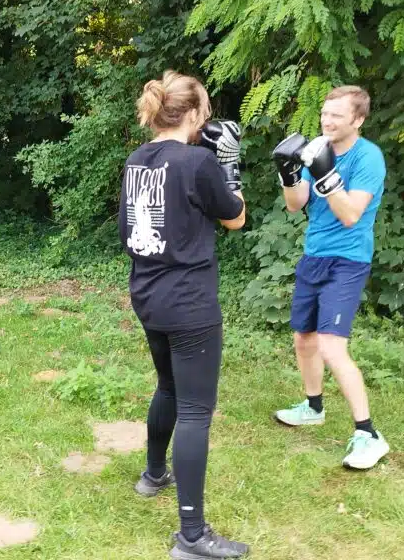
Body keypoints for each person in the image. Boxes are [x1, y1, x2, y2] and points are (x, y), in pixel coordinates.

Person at [119, 70, 248, 559]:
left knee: (168, 387)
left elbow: (130, 228)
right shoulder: (198, 162)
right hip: (189, 300)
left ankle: (154, 474)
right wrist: (229, 165)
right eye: (204, 111)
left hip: (147, 292)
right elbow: (235, 218)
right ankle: (192, 536)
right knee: (195, 410)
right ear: (193, 113)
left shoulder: (137, 160)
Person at [271, 85, 389, 470]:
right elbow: (295, 205)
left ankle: (368, 434)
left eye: (337, 115)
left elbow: (351, 214)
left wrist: (328, 176)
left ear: (358, 119)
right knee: (303, 338)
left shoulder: (368, 157)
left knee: (331, 346)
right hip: (314, 255)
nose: (327, 120)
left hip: (348, 260)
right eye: (325, 113)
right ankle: (313, 406)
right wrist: (289, 173)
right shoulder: (317, 149)